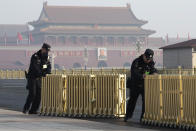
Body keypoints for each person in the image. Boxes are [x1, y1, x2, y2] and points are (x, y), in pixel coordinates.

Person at [124, 49, 157, 122]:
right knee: (132, 101)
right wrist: (142, 76)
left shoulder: (151, 62)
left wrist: (154, 73)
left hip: (145, 85)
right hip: (135, 84)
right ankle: (128, 116)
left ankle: (143, 117)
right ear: (144, 55)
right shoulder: (137, 61)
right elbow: (134, 72)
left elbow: (153, 69)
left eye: (150, 59)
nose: (148, 60)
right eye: (147, 58)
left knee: (145, 101)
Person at [23, 43, 51, 114]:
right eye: (46, 50)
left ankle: (33, 110)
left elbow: (47, 66)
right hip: (32, 77)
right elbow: (35, 67)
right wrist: (42, 73)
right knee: (32, 94)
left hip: (39, 78)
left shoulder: (46, 57)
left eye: (48, 51)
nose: (47, 52)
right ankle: (26, 108)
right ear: (42, 49)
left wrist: (47, 72)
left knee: (39, 95)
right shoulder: (35, 56)